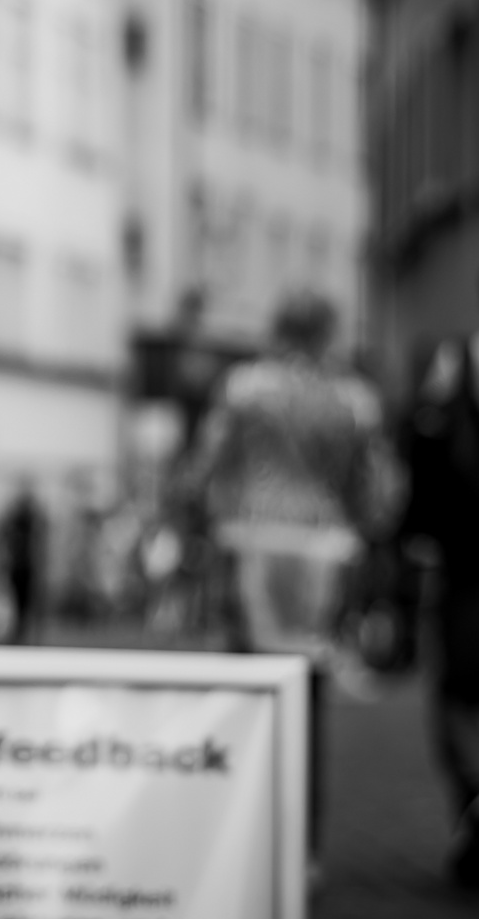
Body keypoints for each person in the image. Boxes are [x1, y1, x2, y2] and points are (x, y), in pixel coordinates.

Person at [184, 289, 399, 864]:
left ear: (276, 329)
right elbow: (378, 491)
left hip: (250, 541)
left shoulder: (244, 388)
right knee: (306, 696)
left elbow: (205, 467)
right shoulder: (355, 397)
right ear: (329, 333)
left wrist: (203, 516)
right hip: (323, 549)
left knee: (247, 692)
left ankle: (238, 837)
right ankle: (302, 849)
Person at [401, 258, 479, 889]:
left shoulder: (456, 359)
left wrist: (417, 538)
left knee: (460, 693)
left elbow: (426, 451)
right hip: (469, 562)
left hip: (470, 561)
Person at [0, 480, 45, 643]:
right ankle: (19, 632)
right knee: (17, 600)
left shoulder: (32, 519)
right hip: (18, 566)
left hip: (28, 566)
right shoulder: (14, 519)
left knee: (28, 601)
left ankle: (27, 633)